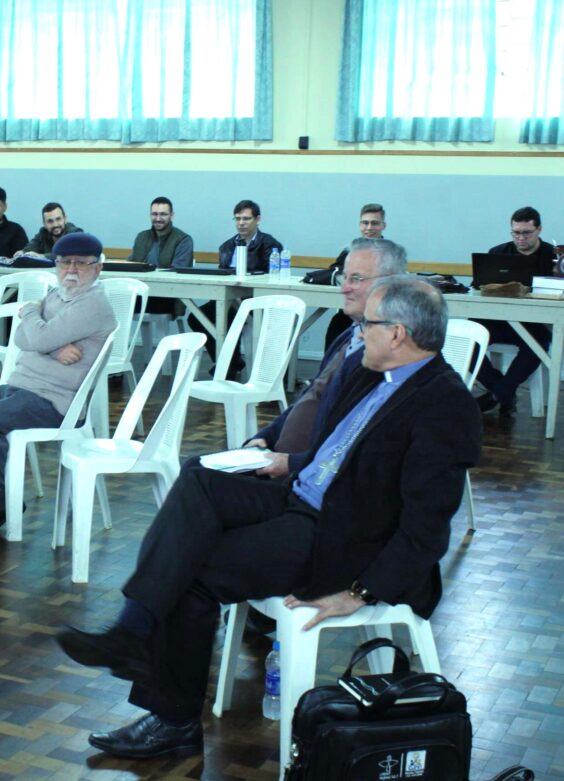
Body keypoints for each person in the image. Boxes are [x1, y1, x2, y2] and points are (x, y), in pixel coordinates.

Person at [56, 276, 481, 761]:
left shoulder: (446, 406)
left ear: (399, 334)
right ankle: (132, 629)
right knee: (198, 477)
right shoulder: (372, 372)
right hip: (302, 496)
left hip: (339, 540)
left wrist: (360, 592)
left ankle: (172, 719)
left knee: (194, 570)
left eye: (367, 324)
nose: (358, 330)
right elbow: (334, 449)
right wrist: (282, 457)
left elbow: (427, 530)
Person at [0, 232, 117, 534]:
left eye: (80, 264)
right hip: (23, 385)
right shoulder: (58, 294)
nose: (70, 270)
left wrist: (29, 312)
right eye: (63, 263)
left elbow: (35, 335)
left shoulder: (92, 303)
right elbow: (22, 338)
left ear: (97, 268)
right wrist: (53, 346)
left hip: (55, 400)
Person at [245, 238, 409, 479]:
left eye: (356, 279)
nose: (344, 287)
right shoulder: (348, 335)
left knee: (198, 480)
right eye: (345, 277)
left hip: (307, 479)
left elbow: (350, 446)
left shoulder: (386, 357)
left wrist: (290, 464)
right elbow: (310, 397)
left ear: (390, 283)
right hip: (279, 461)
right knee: (198, 471)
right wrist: (266, 436)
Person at [474, 206, 559, 415]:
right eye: (516, 233)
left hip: (534, 324)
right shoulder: (497, 252)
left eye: (526, 233)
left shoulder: (553, 256)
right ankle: (503, 392)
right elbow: (478, 285)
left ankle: (497, 395)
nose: (521, 238)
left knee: (538, 345)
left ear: (539, 229)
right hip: (498, 320)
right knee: (468, 341)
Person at [186, 199, 284, 374]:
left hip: (255, 301)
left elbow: (271, 279)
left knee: (231, 316)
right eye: (237, 218)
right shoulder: (227, 246)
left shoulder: (270, 245)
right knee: (196, 318)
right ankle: (228, 361)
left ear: (258, 219)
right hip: (228, 298)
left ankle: (228, 365)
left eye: (246, 219)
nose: (241, 223)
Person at [323, 204, 387, 349]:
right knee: (336, 325)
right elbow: (334, 271)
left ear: (383, 226)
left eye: (375, 223)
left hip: (379, 313)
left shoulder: (390, 252)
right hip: (350, 313)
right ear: (360, 225)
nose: (369, 227)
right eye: (365, 223)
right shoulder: (350, 249)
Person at [129, 196, 195, 317]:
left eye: (163, 214)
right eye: (154, 214)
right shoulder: (141, 236)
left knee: (119, 304)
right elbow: (131, 265)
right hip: (139, 293)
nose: (158, 218)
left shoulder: (183, 240)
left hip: (168, 297)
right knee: (112, 301)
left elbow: (177, 273)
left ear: (172, 216)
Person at [16, 202, 82, 259]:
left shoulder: (75, 234)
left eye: (58, 219)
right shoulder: (43, 233)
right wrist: (21, 253)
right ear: (44, 224)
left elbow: (66, 254)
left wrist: (42, 256)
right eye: (50, 221)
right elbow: (29, 249)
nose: (55, 225)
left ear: (65, 219)